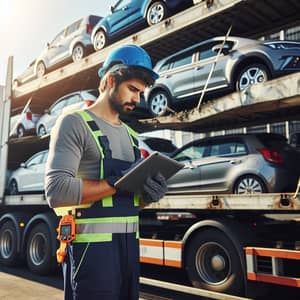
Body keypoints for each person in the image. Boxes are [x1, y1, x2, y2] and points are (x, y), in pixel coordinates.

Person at [45, 44, 168, 300]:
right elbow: (56, 191)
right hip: (91, 253)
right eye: (132, 89)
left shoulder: (133, 137)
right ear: (111, 79)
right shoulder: (75, 123)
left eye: (141, 92)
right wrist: (116, 182)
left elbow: (126, 202)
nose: (137, 98)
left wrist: (147, 196)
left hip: (129, 253)